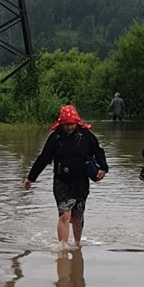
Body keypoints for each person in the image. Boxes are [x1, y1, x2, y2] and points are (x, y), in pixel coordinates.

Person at [24, 104, 108, 245]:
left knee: (77, 215)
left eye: (72, 124)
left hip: (81, 181)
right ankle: (62, 246)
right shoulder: (55, 137)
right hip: (61, 181)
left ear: (77, 122)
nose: (70, 127)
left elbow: (98, 151)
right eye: (67, 125)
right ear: (61, 123)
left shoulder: (86, 134)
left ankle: (77, 245)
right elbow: (43, 158)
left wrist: (103, 168)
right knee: (65, 214)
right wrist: (31, 178)